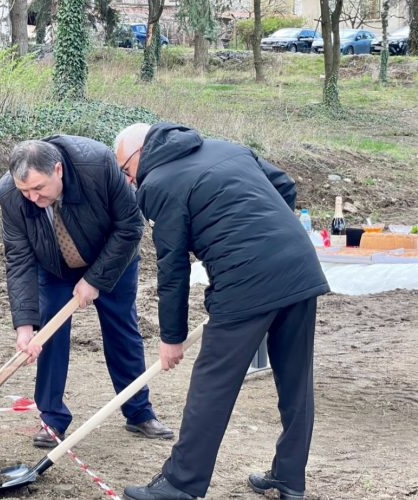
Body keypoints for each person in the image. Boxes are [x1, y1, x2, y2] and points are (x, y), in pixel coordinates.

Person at [114, 122, 330, 500]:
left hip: (245, 281)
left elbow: (173, 267)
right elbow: (285, 186)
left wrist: (171, 338)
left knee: (212, 384)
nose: (128, 180)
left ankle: (181, 483)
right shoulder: (226, 147)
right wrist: (262, 231)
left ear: (138, 154)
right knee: (296, 381)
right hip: (299, 266)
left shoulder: (157, 184)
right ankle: (289, 478)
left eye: (125, 170)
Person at [0, 136, 174, 449]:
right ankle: (52, 419)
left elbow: (131, 225)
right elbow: (19, 258)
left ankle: (139, 412)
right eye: (25, 191)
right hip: (54, 266)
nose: (33, 198)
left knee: (122, 331)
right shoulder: (10, 194)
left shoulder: (98, 164)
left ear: (58, 170)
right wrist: (25, 326)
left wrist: (94, 280)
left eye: (39, 188)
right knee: (47, 336)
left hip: (112, 257)